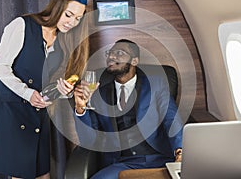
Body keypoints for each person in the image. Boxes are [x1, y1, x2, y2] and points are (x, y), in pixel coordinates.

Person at [0, 0, 89, 179]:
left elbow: (48, 86)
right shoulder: (22, 25)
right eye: (68, 15)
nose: (72, 23)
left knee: (43, 175)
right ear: (57, 6)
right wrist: (27, 93)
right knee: (21, 175)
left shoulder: (63, 40)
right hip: (13, 113)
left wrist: (59, 91)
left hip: (39, 114)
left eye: (78, 18)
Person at [73, 39, 183, 179]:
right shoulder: (98, 94)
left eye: (119, 53)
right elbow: (88, 140)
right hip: (121, 163)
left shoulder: (156, 84)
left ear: (135, 61)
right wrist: (81, 109)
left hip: (159, 159)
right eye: (110, 53)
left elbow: (171, 119)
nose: (111, 57)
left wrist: (180, 152)